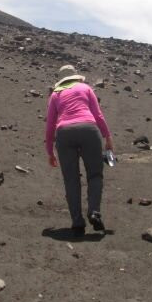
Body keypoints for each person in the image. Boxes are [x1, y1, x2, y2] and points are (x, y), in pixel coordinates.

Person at [45, 64, 114, 235]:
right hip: (89, 130)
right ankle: (94, 212)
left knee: (71, 179)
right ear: (76, 76)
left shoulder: (55, 94)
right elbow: (98, 115)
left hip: (64, 133)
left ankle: (77, 222)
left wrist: (49, 151)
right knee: (95, 174)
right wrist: (108, 137)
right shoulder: (85, 88)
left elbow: (50, 124)